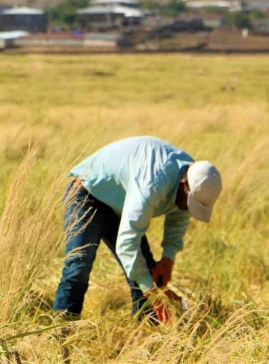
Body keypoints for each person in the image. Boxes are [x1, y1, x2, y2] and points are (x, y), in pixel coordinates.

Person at [53, 136, 223, 323]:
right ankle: (63, 330)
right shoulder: (153, 182)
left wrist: (168, 259)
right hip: (87, 193)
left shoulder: (194, 178)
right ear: (184, 186)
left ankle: (149, 334)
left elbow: (178, 220)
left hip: (121, 202)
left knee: (147, 271)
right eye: (189, 204)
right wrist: (152, 292)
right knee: (79, 264)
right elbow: (127, 245)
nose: (188, 209)